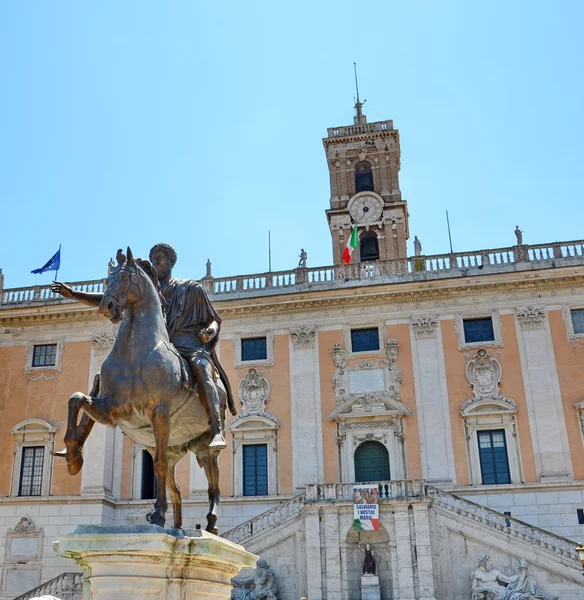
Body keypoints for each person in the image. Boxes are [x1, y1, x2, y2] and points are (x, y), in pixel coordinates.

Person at [51, 242, 236, 449]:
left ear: (171, 262)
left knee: (201, 368)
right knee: (103, 381)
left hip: (188, 345)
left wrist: (209, 331)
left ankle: (216, 429)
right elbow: (110, 297)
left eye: (160, 258)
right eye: (153, 257)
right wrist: (74, 294)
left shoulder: (190, 288)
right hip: (157, 347)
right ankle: (77, 441)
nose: (156, 261)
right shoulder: (146, 290)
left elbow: (213, 320)